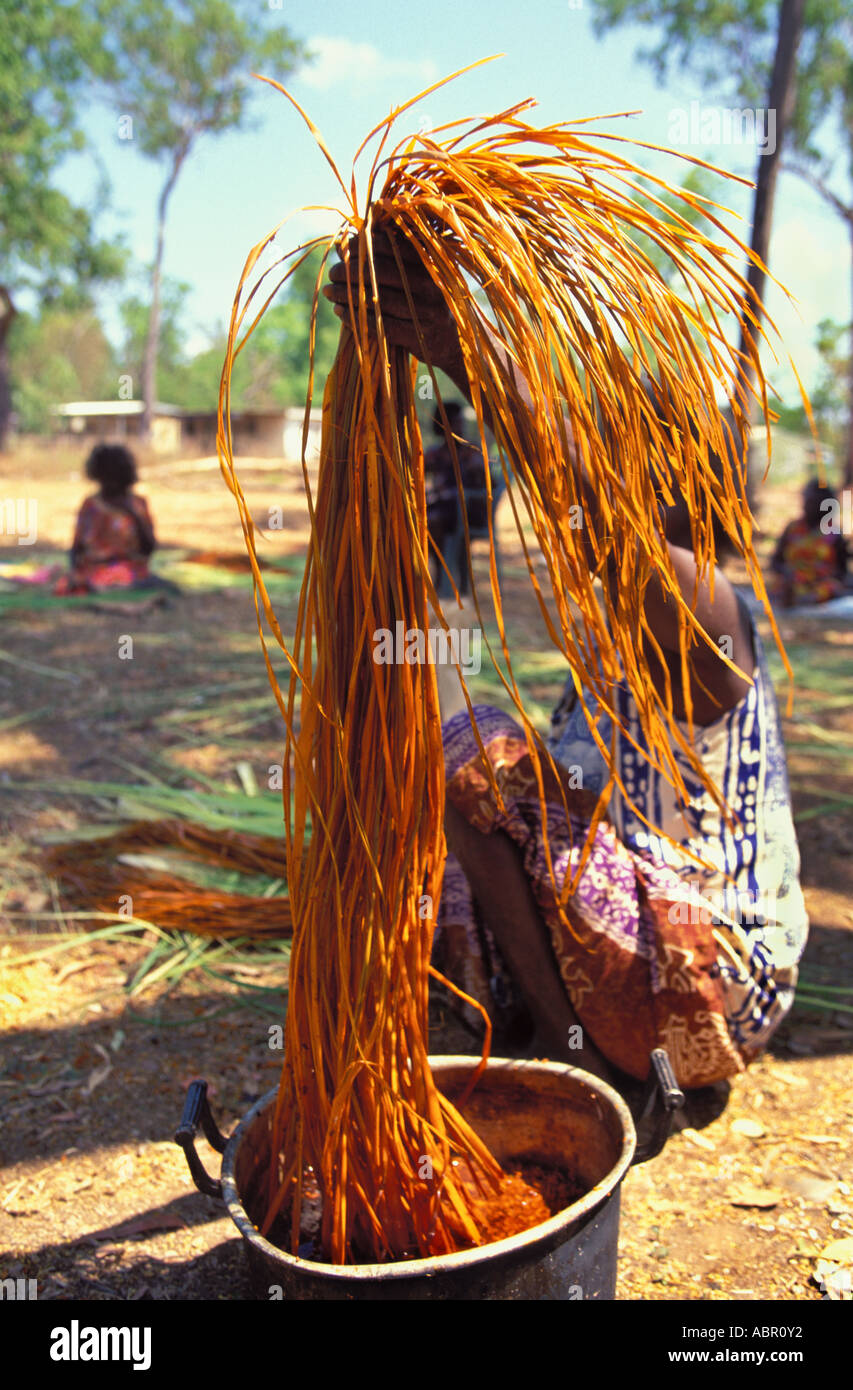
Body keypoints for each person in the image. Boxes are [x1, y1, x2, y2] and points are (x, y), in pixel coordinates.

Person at [324, 233, 809, 1091]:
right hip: (641, 958)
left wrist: (478, 360)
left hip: (706, 987)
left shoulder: (709, 608)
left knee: (472, 746)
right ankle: (535, 1022)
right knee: (417, 872)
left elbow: (607, 535)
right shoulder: (604, 657)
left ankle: (568, 1057)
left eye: (623, 460)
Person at [55, 443, 157, 596]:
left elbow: (149, 547)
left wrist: (133, 514)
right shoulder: (91, 506)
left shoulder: (138, 504)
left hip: (130, 569)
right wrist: (75, 571)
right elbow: (77, 547)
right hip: (95, 569)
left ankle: (108, 588)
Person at [424, 401, 489, 595]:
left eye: (460, 422)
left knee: (436, 522)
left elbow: (487, 483)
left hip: (468, 511)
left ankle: (453, 584)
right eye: (455, 422)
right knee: (426, 521)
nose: (460, 426)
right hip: (444, 508)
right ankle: (442, 578)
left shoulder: (471, 451)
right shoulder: (435, 453)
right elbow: (416, 474)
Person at [768, 478, 849, 607]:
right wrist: (786, 572)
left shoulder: (834, 534)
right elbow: (775, 561)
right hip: (793, 580)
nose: (806, 505)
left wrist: (819, 576)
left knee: (829, 588)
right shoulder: (792, 528)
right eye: (806, 500)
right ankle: (792, 598)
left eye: (812, 502)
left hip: (820, 584)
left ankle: (804, 600)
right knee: (781, 586)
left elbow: (841, 571)